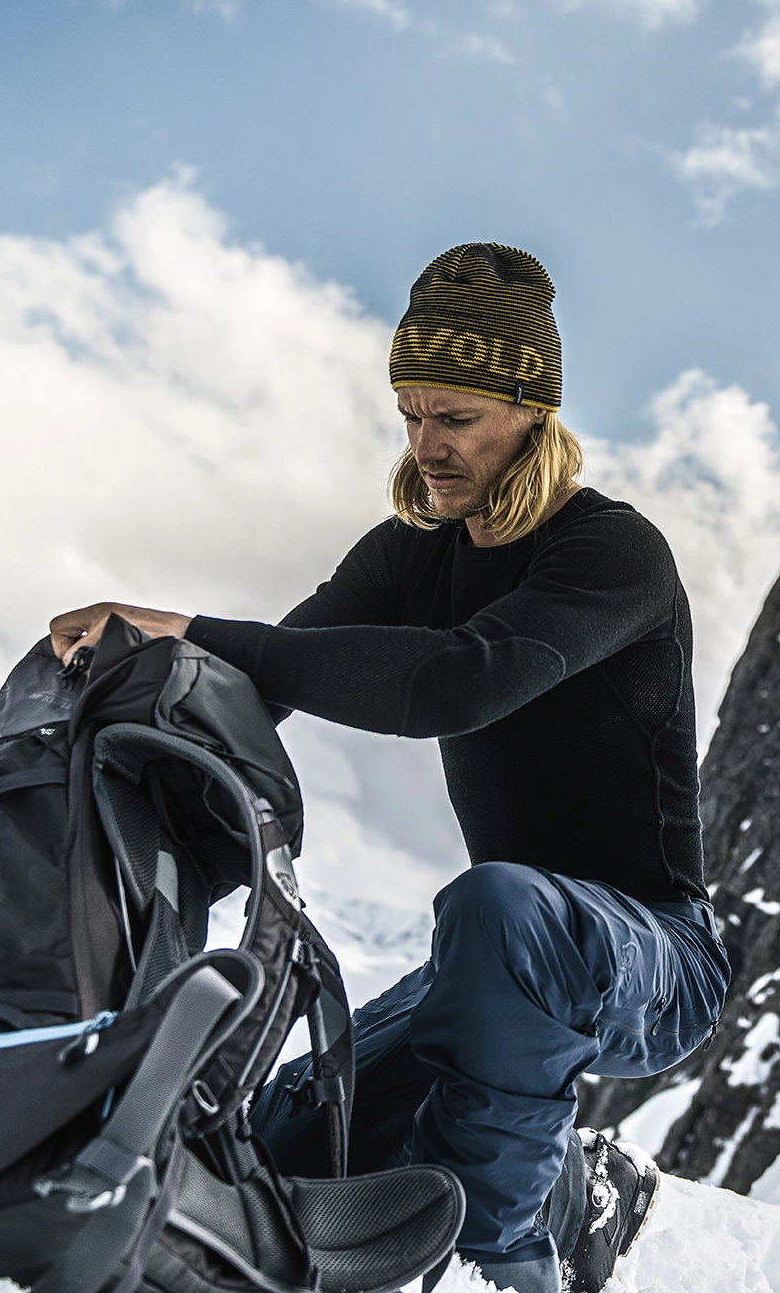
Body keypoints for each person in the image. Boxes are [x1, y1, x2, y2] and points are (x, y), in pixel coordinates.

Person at [48, 242, 729, 1293]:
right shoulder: (411, 550)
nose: (423, 446)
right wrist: (136, 703)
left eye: (453, 418)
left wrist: (193, 626)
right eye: (409, 413)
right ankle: (578, 1190)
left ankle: (501, 1266)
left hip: (652, 956)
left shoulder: (611, 554)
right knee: (281, 1141)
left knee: (499, 909)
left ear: (531, 411)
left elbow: (455, 683)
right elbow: (261, 684)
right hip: (496, 962)